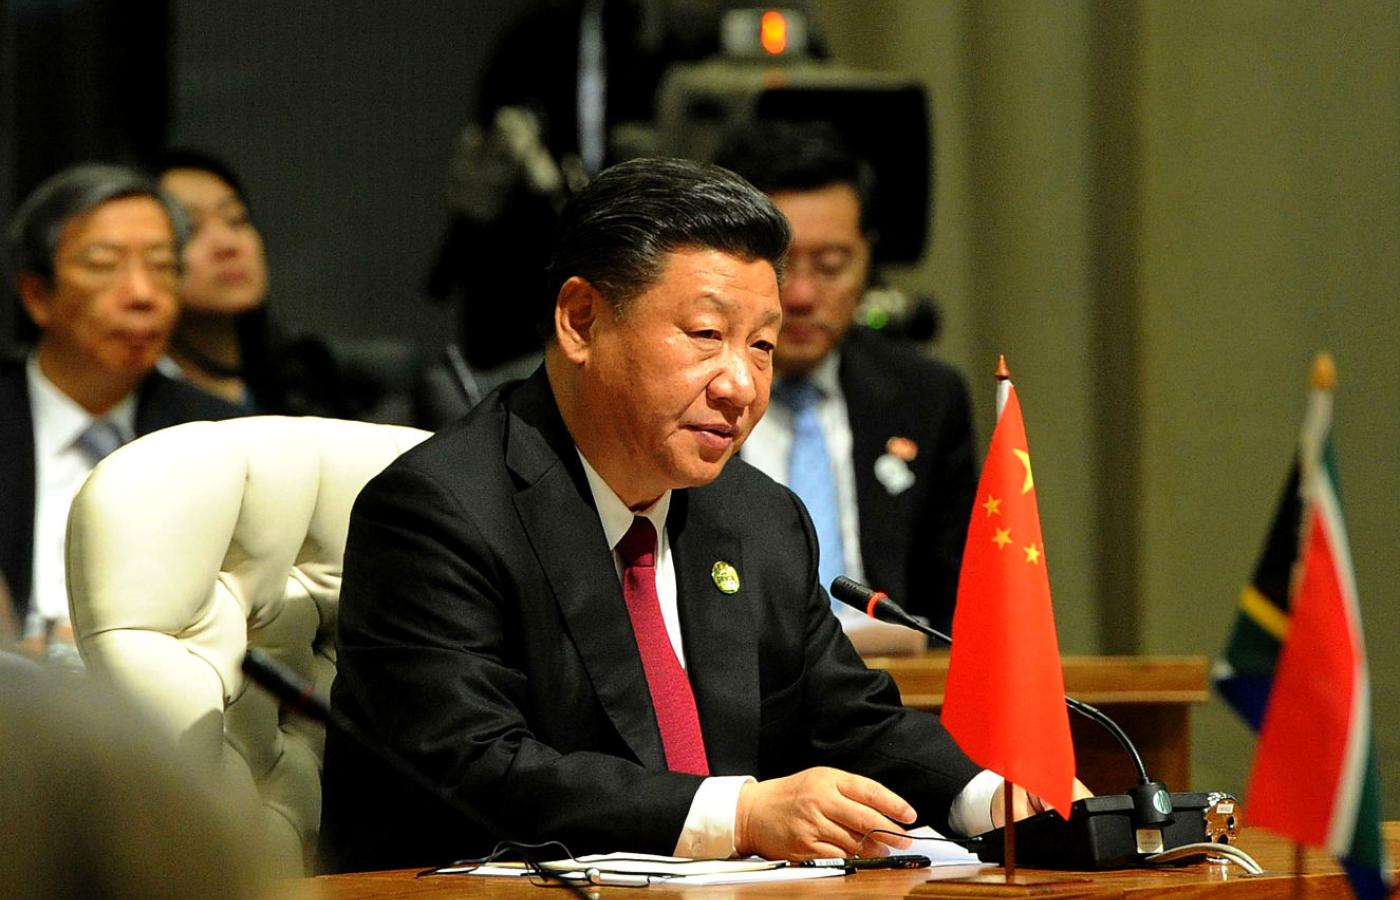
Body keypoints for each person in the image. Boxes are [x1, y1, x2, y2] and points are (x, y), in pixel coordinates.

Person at [320, 157, 1080, 873]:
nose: (741, 385)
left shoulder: (757, 518)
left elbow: (849, 718)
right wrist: (740, 816)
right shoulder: (438, 511)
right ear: (582, 320)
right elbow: (474, 766)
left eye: (762, 346)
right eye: (707, 336)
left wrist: (994, 795)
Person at [715, 121, 978, 643]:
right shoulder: (691, 393)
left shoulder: (927, 398)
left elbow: (957, 607)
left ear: (868, 259)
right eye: (780, 268)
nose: (802, 296)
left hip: (891, 681)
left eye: (831, 266)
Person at [0, 163, 244, 657]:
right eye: (104, 264)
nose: (142, 295)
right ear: (37, 295)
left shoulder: (223, 437)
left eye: (162, 266)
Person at [153, 149, 374, 418]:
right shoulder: (130, 401)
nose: (228, 244)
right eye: (190, 228)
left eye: (237, 219)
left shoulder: (307, 369)